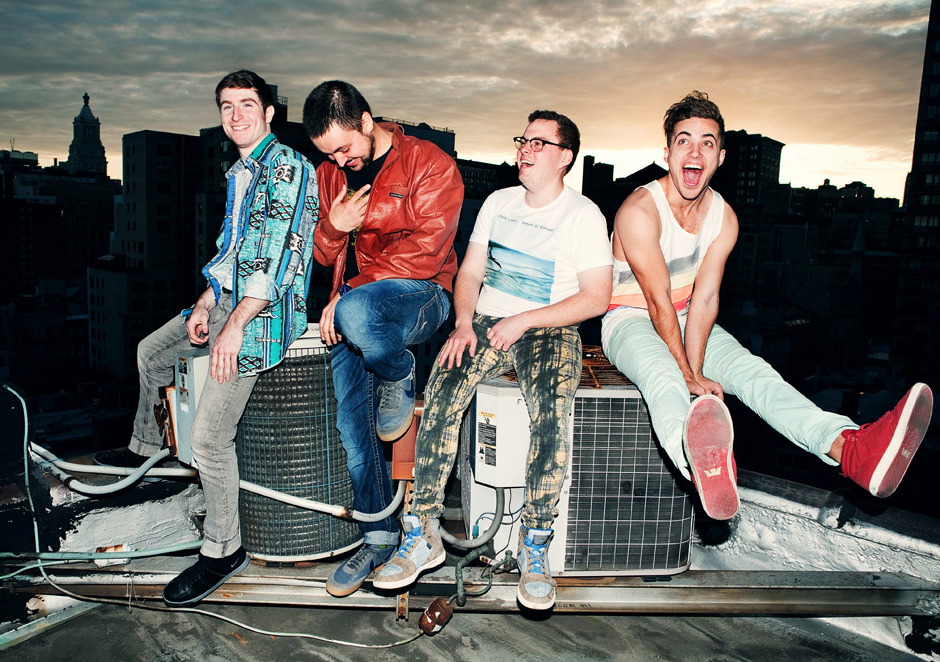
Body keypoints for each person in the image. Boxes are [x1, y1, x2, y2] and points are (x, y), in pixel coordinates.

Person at [601, 91, 933, 521]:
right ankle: (701, 464)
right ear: (667, 153)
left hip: (686, 316)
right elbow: (657, 302)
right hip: (630, 320)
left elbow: (705, 298)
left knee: (756, 374)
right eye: (684, 141)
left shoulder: (724, 218)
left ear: (720, 157)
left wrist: (697, 371)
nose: (695, 152)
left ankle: (852, 450)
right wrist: (687, 376)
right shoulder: (639, 210)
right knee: (666, 379)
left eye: (707, 143)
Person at [373, 110, 613, 611]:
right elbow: (470, 273)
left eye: (539, 143)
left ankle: (534, 544)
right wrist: (463, 322)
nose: (525, 149)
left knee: (551, 414)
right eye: (524, 139)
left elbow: (595, 297)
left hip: (549, 326)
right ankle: (422, 531)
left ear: (565, 157)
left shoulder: (583, 214)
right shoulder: (499, 203)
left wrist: (524, 320)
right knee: (441, 394)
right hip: (484, 321)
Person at [99, 70, 318, 606]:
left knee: (210, 439)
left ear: (269, 113)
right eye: (227, 106)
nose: (236, 115)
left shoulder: (287, 166)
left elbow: (272, 263)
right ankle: (146, 451)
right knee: (151, 353)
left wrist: (233, 328)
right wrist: (204, 301)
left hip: (262, 317)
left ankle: (223, 550)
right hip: (227, 301)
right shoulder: (240, 171)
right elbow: (230, 251)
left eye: (247, 104)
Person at [301, 81, 462, 597]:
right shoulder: (330, 175)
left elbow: (428, 252)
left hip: (423, 296)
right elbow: (321, 256)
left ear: (367, 121)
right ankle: (378, 536)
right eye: (329, 153)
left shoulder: (429, 163)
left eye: (345, 147)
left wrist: (350, 292)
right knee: (353, 433)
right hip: (352, 314)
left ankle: (399, 370)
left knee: (358, 311)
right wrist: (333, 227)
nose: (340, 160)